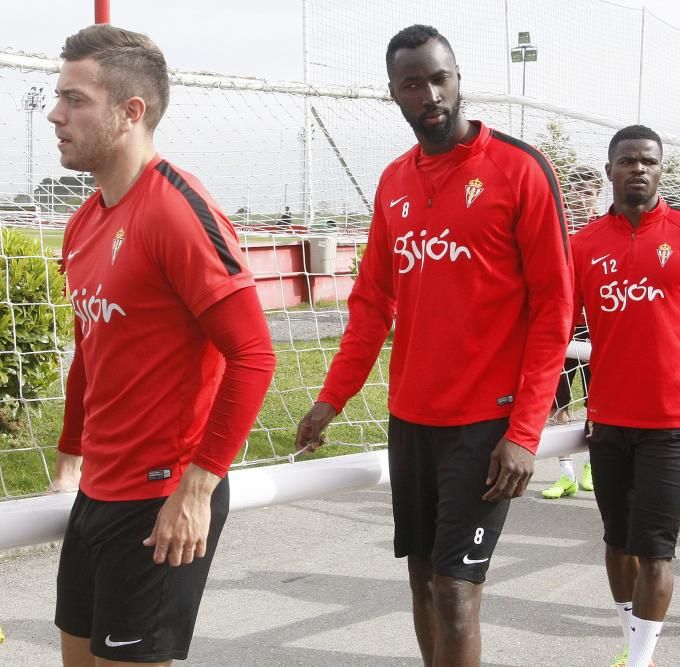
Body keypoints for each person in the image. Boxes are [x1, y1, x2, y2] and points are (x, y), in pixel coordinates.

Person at [293, 25, 573, 666]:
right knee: (421, 581)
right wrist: (332, 398)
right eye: (412, 83)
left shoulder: (520, 170)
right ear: (393, 93)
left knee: (455, 589)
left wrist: (525, 430)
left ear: (458, 78)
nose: (430, 93)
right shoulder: (394, 181)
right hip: (412, 417)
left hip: (485, 423)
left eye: (439, 77)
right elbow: (371, 304)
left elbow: (556, 308)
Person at [46, 25, 276, 665]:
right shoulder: (84, 222)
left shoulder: (176, 209)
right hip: (99, 492)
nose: (55, 113)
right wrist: (69, 456)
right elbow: (91, 355)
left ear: (130, 112)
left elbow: (254, 357)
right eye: (57, 97)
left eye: (75, 99)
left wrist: (197, 489)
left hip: (163, 494)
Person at [572, 125, 680, 666]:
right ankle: (632, 636)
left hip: (675, 423)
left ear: (660, 169)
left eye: (648, 160)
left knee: (655, 549)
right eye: (626, 161)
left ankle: (642, 657)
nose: (638, 169)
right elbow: (552, 330)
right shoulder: (582, 245)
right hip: (608, 421)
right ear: (610, 172)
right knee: (616, 542)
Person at [545, 163, 603, 499]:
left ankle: (593, 466)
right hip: (562, 328)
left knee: (598, 402)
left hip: (596, 329)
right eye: (576, 191)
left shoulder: (604, 229)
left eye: (589, 192)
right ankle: (565, 472)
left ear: (597, 196)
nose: (581, 198)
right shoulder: (556, 227)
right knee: (558, 403)